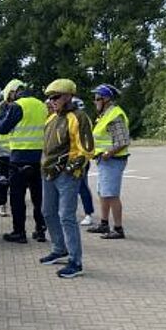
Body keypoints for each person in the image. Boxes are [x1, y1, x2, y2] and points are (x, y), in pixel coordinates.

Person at [38, 79, 94, 279]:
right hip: (48, 174)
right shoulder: (50, 119)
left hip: (66, 175)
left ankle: (75, 261)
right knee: (47, 212)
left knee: (67, 216)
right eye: (50, 97)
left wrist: (71, 169)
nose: (52, 101)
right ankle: (59, 248)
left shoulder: (78, 117)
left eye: (56, 97)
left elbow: (86, 149)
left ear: (69, 96)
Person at [0, 79, 46, 243]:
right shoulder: (41, 105)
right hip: (38, 156)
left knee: (17, 197)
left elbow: (2, 129)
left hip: (18, 158)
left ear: (12, 92)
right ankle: (40, 230)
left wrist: (3, 110)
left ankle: (19, 232)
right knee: (37, 196)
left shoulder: (17, 106)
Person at [86, 84, 130, 239]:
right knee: (103, 193)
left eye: (97, 98)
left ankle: (118, 229)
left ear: (106, 99)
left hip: (113, 160)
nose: (94, 101)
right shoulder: (105, 115)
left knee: (111, 194)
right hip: (104, 161)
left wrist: (108, 153)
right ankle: (104, 224)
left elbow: (123, 141)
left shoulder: (115, 115)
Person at [71, 97, 95, 226]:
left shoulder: (81, 120)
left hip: (80, 158)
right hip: (75, 157)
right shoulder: (79, 118)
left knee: (81, 187)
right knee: (76, 187)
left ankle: (88, 213)